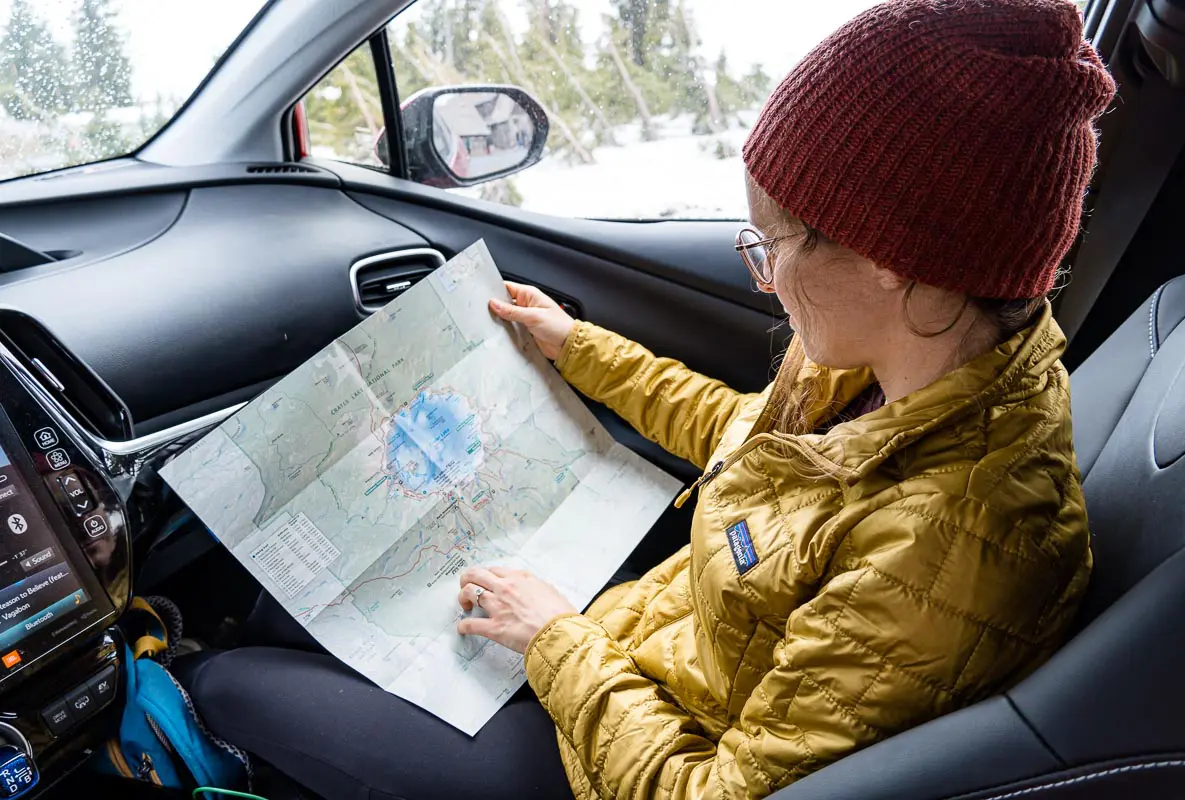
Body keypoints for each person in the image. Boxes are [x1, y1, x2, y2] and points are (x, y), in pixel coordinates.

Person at [180, 1, 1115, 798]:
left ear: (886, 262)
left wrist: (554, 641)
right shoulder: (904, 367)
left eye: (773, 245)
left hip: (618, 752)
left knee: (229, 682)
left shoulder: (949, 545)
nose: (764, 279)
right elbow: (746, 440)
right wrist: (579, 349)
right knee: (276, 615)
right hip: (638, 655)